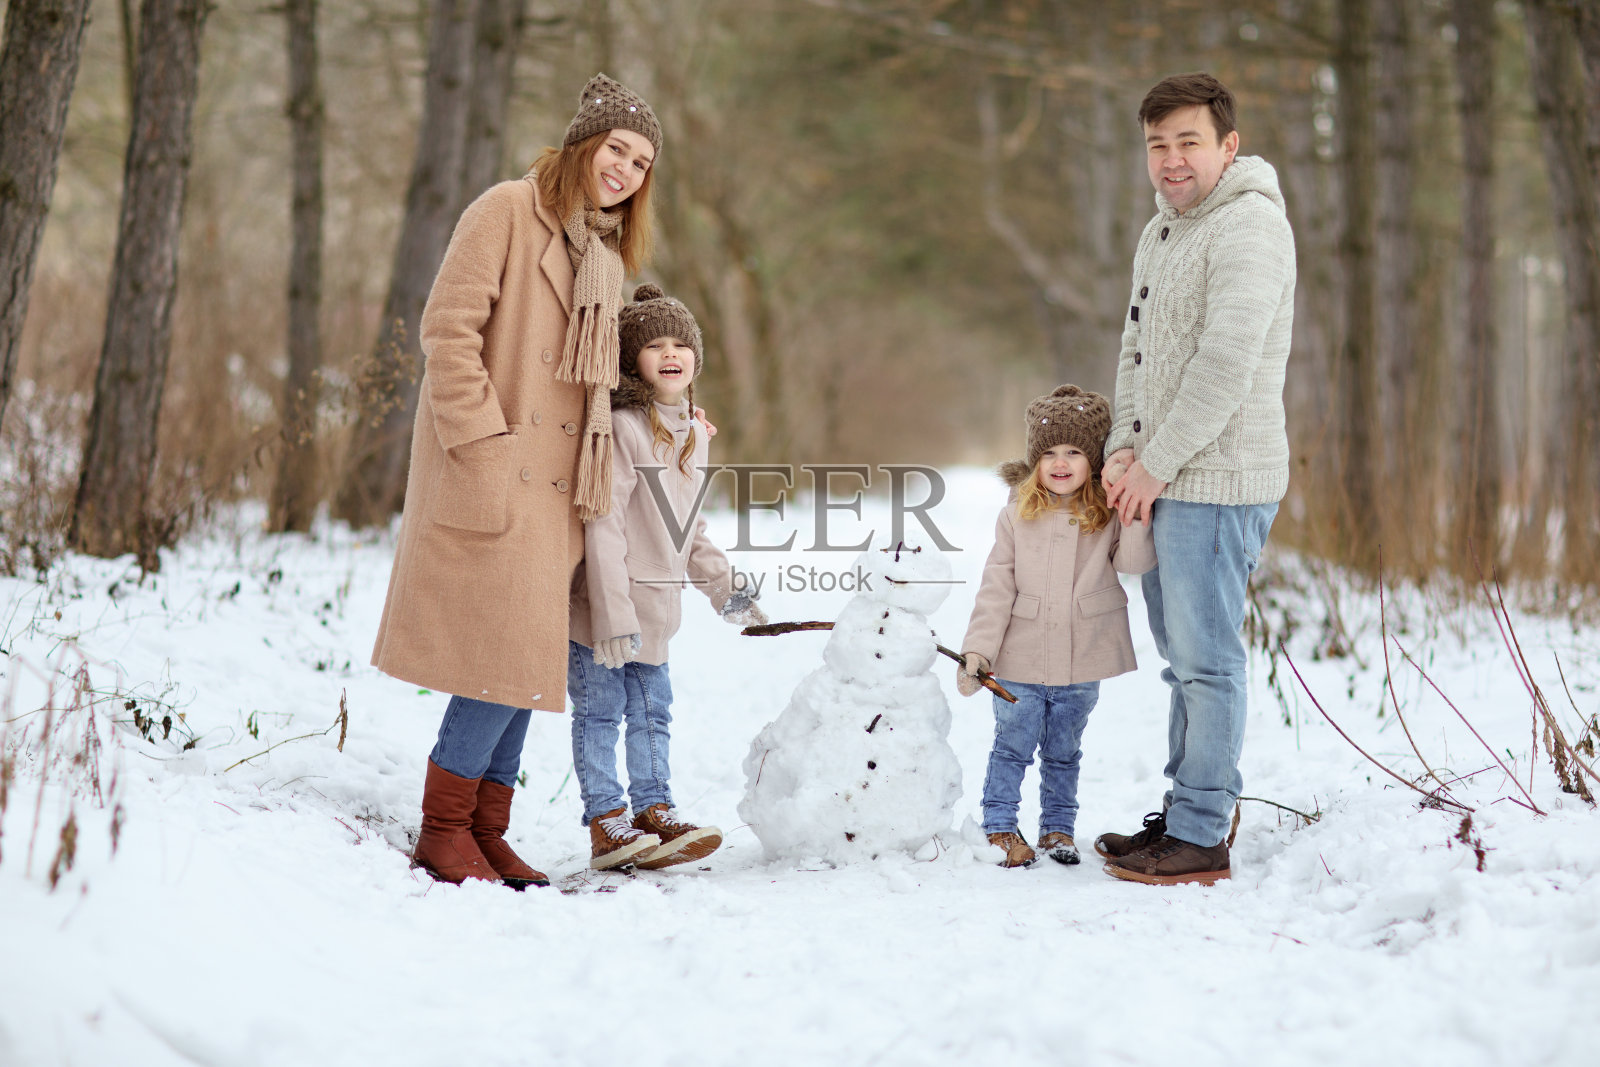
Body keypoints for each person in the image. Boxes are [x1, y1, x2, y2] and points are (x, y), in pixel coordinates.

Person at [370, 73, 664, 888]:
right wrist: (486, 442)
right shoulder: (505, 209)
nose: (626, 171)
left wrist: (672, 416)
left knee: (526, 664)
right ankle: (443, 827)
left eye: (641, 162)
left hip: (563, 487)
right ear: (583, 145)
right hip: (498, 467)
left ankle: (485, 828)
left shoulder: (600, 254)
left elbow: (605, 377)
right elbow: (448, 330)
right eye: (617, 150)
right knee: (498, 659)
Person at [1097, 72, 1296, 886]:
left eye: (1188, 142)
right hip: (1162, 475)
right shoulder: (1164, 231)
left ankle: (1204, 831)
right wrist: (1120, 446)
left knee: (1209, 662)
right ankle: (1186, 811)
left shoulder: (1249, 227)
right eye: (1158, 144)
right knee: (1182, 660)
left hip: (1220, 480)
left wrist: (1155, 462)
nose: (1172, 160)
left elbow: (1223, 367)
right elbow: (1137, 354)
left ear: (1227, 146)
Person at [567, 285, 766, 869]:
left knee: (654, 713)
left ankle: (655, 810)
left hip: (655, 609)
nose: (671, 352)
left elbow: (689, 528)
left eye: (682, 342)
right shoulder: (623, 428)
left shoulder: (694, 435)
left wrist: (727, 590)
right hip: (603, 609)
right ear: (633, 360)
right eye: (655, 344)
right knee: (600, 713)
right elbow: (601, 522)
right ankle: (608, 821)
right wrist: (611, 615)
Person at [956, 385, 1155, 869]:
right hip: (1022, 657)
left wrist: (1132, 511)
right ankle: (1000, 826)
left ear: (1094, 460)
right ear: (1034, 461)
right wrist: (978, 651)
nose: (1060, 462)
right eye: (1048, 453)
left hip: (1082, 656)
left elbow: (1135, 561)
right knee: (1012, 745)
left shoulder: (1105, 514)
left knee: (1065, 751)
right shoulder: (1017, 516)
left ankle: (1057, 830)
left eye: (1073, 452)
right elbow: (996, 588)